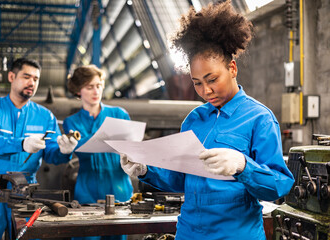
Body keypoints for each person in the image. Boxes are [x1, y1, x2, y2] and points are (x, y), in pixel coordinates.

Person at [120, 1, 295, 239]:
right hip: (189, 232)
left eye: (212, 79)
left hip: (235, 234)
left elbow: (279, 185)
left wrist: (244, 166)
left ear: (232, 68)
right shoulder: (194, 119)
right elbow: (181, 178)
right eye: (197, 82)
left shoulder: (259, 119)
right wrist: (145, 170)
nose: (206, 90)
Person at [0, 58, 78, 240]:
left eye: (36, 79)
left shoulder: (45, 116)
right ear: (11, 76)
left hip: (26, 192)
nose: (32, 83)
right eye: (26, 76)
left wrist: (64, 151)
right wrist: (21, 143)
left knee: (26, 235)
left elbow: (52, 153)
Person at [63, 65, 132, 240]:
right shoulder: (72, 122)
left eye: (99, 85)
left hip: (119, 187)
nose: (96, 91)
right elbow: (81, 149)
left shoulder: (119, 113)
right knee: (86, 235)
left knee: (117, 236)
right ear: (78, 91)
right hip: (88, 189)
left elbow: (131, 146)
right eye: (89, 87)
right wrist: (107, 136)